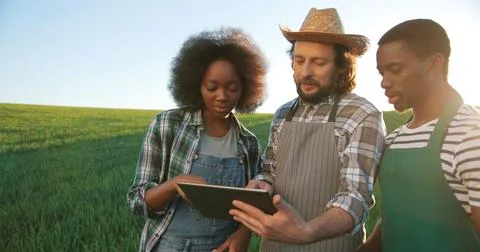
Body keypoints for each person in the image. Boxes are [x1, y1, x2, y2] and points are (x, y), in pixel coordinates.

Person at [229, 8, 386, 251]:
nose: (306, 72)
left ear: (341, 68)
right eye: (299, 60)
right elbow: (268, 171)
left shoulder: (362, 114)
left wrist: (306, 231)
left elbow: (355, 198)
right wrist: (262, 185)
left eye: (319, 62)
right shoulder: (283, 113)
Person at [126, 27, 268, 252]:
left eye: (233, 88)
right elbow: (137, 201)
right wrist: (175, 185)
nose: (222, 96)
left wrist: (243, 234)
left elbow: (252, 204)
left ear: (246, 89)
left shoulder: (248, 143)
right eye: (212, 87)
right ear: (196, 85)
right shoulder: (167, 125)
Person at [358, 19, 480, 252]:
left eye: (395, 70)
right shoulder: (394, 139)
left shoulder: (470, 137)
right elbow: (398, 216)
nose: (384, 82)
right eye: (381, 72)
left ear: (435, 63)